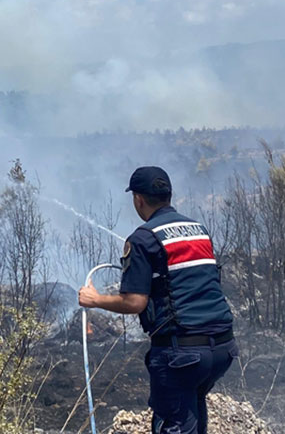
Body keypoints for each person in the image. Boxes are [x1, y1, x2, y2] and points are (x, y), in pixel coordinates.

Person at [78, 166, 236, 434]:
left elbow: (134, 303)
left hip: (181, 353)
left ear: (138, 199)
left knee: (174, 424)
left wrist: (95, 300)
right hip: (223, 348)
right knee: (193, 417)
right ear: (169, 195)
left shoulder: (142, 239)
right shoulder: (198, 230)